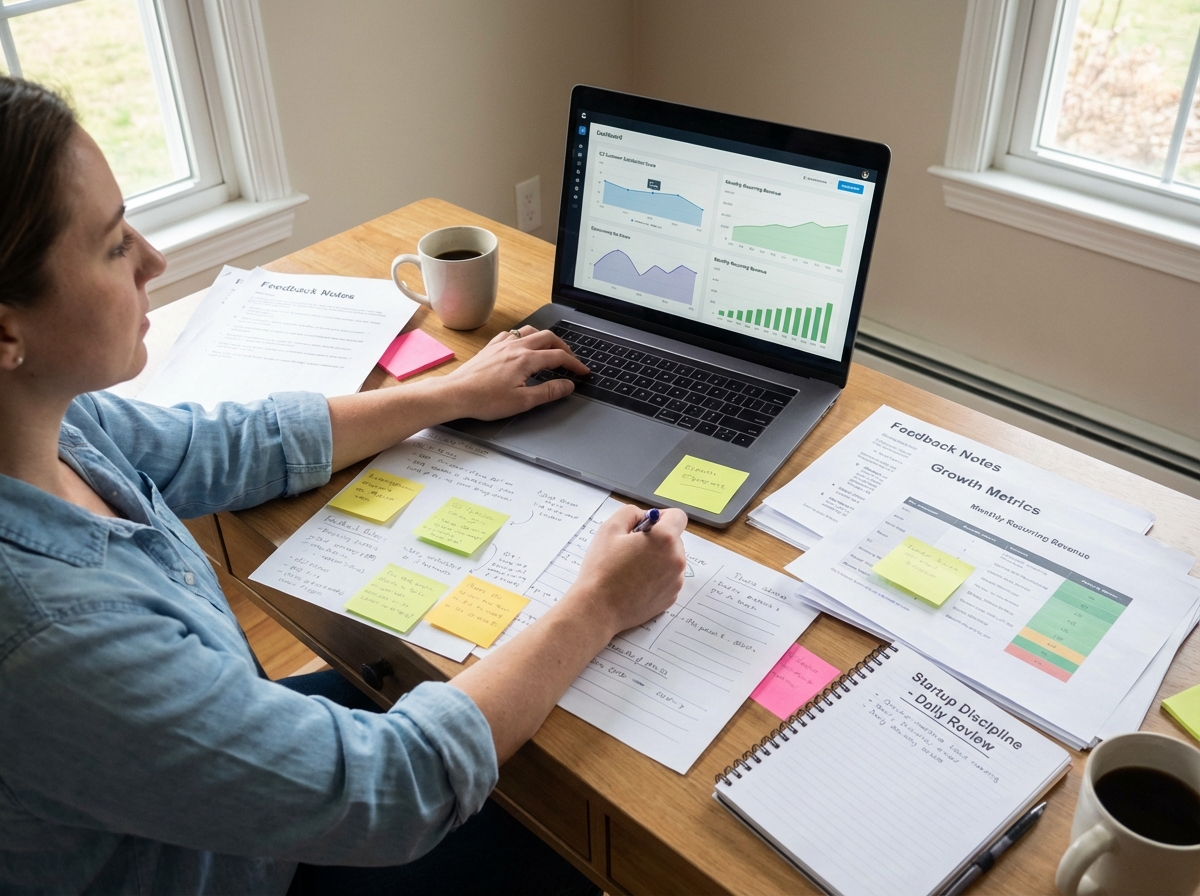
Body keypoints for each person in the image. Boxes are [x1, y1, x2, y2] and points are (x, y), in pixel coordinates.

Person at [0, 76, 688, 895]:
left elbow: (227, 443)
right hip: (252, 872)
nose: (154, 257)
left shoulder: (52, 424)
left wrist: (451, 394)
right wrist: (597, 605)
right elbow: (392, 790)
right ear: (7, 329)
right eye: (114, 246)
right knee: (588, 833)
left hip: (223, 802)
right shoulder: (49, 638)